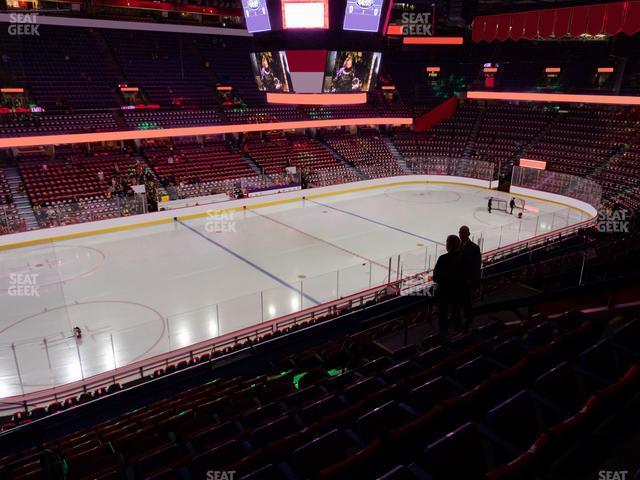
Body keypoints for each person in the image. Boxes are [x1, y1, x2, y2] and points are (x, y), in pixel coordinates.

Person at [433, 235, 463, 335]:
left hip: (444, 292)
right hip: (458, 291)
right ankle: (458, 334)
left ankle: (444, 335)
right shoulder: (463, 258)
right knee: (457, 312)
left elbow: (435, 277)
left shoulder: (443, 259)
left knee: (443, 315)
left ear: (449, 245)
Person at [459, 225, 482, 331]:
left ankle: (469, 317)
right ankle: (456, 316)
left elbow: (477, 265)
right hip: (458, 279)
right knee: (456, 299)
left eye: (463, 233)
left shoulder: (474, 248)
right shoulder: (457, 245)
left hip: (467, 280)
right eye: (460, 232)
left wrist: (472, 280)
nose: (461, 234)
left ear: (468, 234)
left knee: (466, 300)